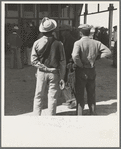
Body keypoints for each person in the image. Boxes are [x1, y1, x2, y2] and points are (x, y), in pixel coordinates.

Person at [72, 24, 111, 115]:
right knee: (91, 93)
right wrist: (97, 58)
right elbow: (108, 52)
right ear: (89, 32)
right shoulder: (96, 43)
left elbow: (75, 56)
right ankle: (93, 112)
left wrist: (80, 65)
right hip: (91, 70)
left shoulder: (78, 43)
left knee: (80, 93)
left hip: (81, 70)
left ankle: (79, 114)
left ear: (80, 33)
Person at [31, 17, 66, 115]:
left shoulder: (37, 43)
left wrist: (43, 68)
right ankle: (51, 117)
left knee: (38, 95)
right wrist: (62, 77)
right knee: (52, 97)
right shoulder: (59, 44)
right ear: (53, 30)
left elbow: (33, 61)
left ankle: (36, 116)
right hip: (54, 73)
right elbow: (63, 62)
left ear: (42, 31)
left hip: (42, 73)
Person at [59, 24, 77, 108]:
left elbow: (75, 54)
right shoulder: (65, 40)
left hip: (69, 65)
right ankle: (69, 100)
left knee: (69, 82)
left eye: (62, 31)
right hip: (65, 64)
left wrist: (71, 62)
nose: (61, 33)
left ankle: (72, 101)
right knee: (65, 81)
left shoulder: (72, 41)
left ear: (67, 31)